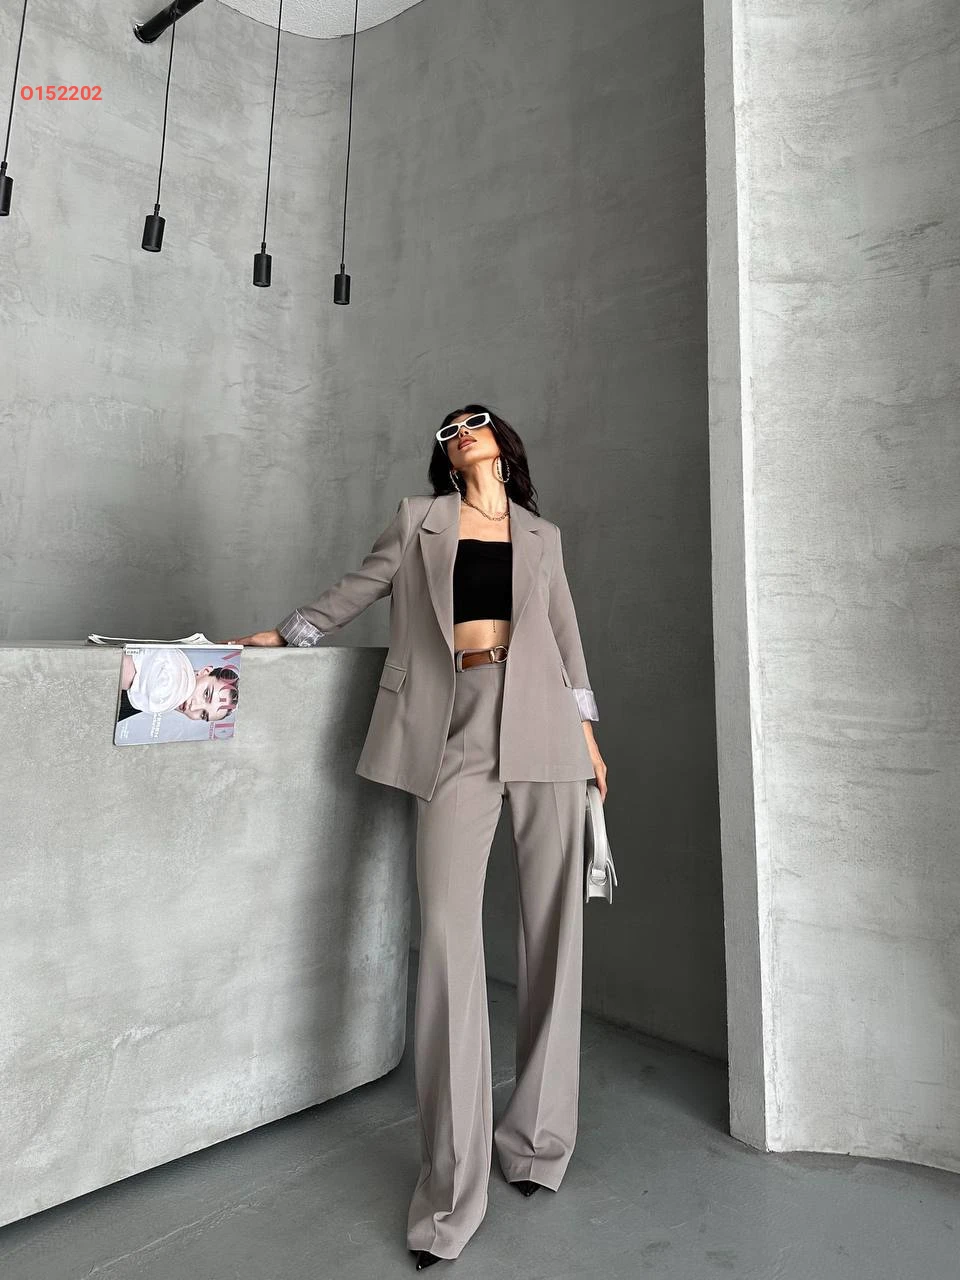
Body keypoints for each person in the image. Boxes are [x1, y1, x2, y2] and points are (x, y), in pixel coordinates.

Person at [229, 404, 608, 1268]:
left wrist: (589, 742)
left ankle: (538, 1142)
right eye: (449, 429)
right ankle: (451, 1193)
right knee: (445, 943)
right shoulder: (419, 521)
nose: (461, 432)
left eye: (475, 422)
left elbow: (566, 640)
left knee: (556, 935)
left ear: (502, 442)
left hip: (546, 727)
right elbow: (356, 589)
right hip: (452, 731)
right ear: (444, 455)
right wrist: (290, 632)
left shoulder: (542, 537)